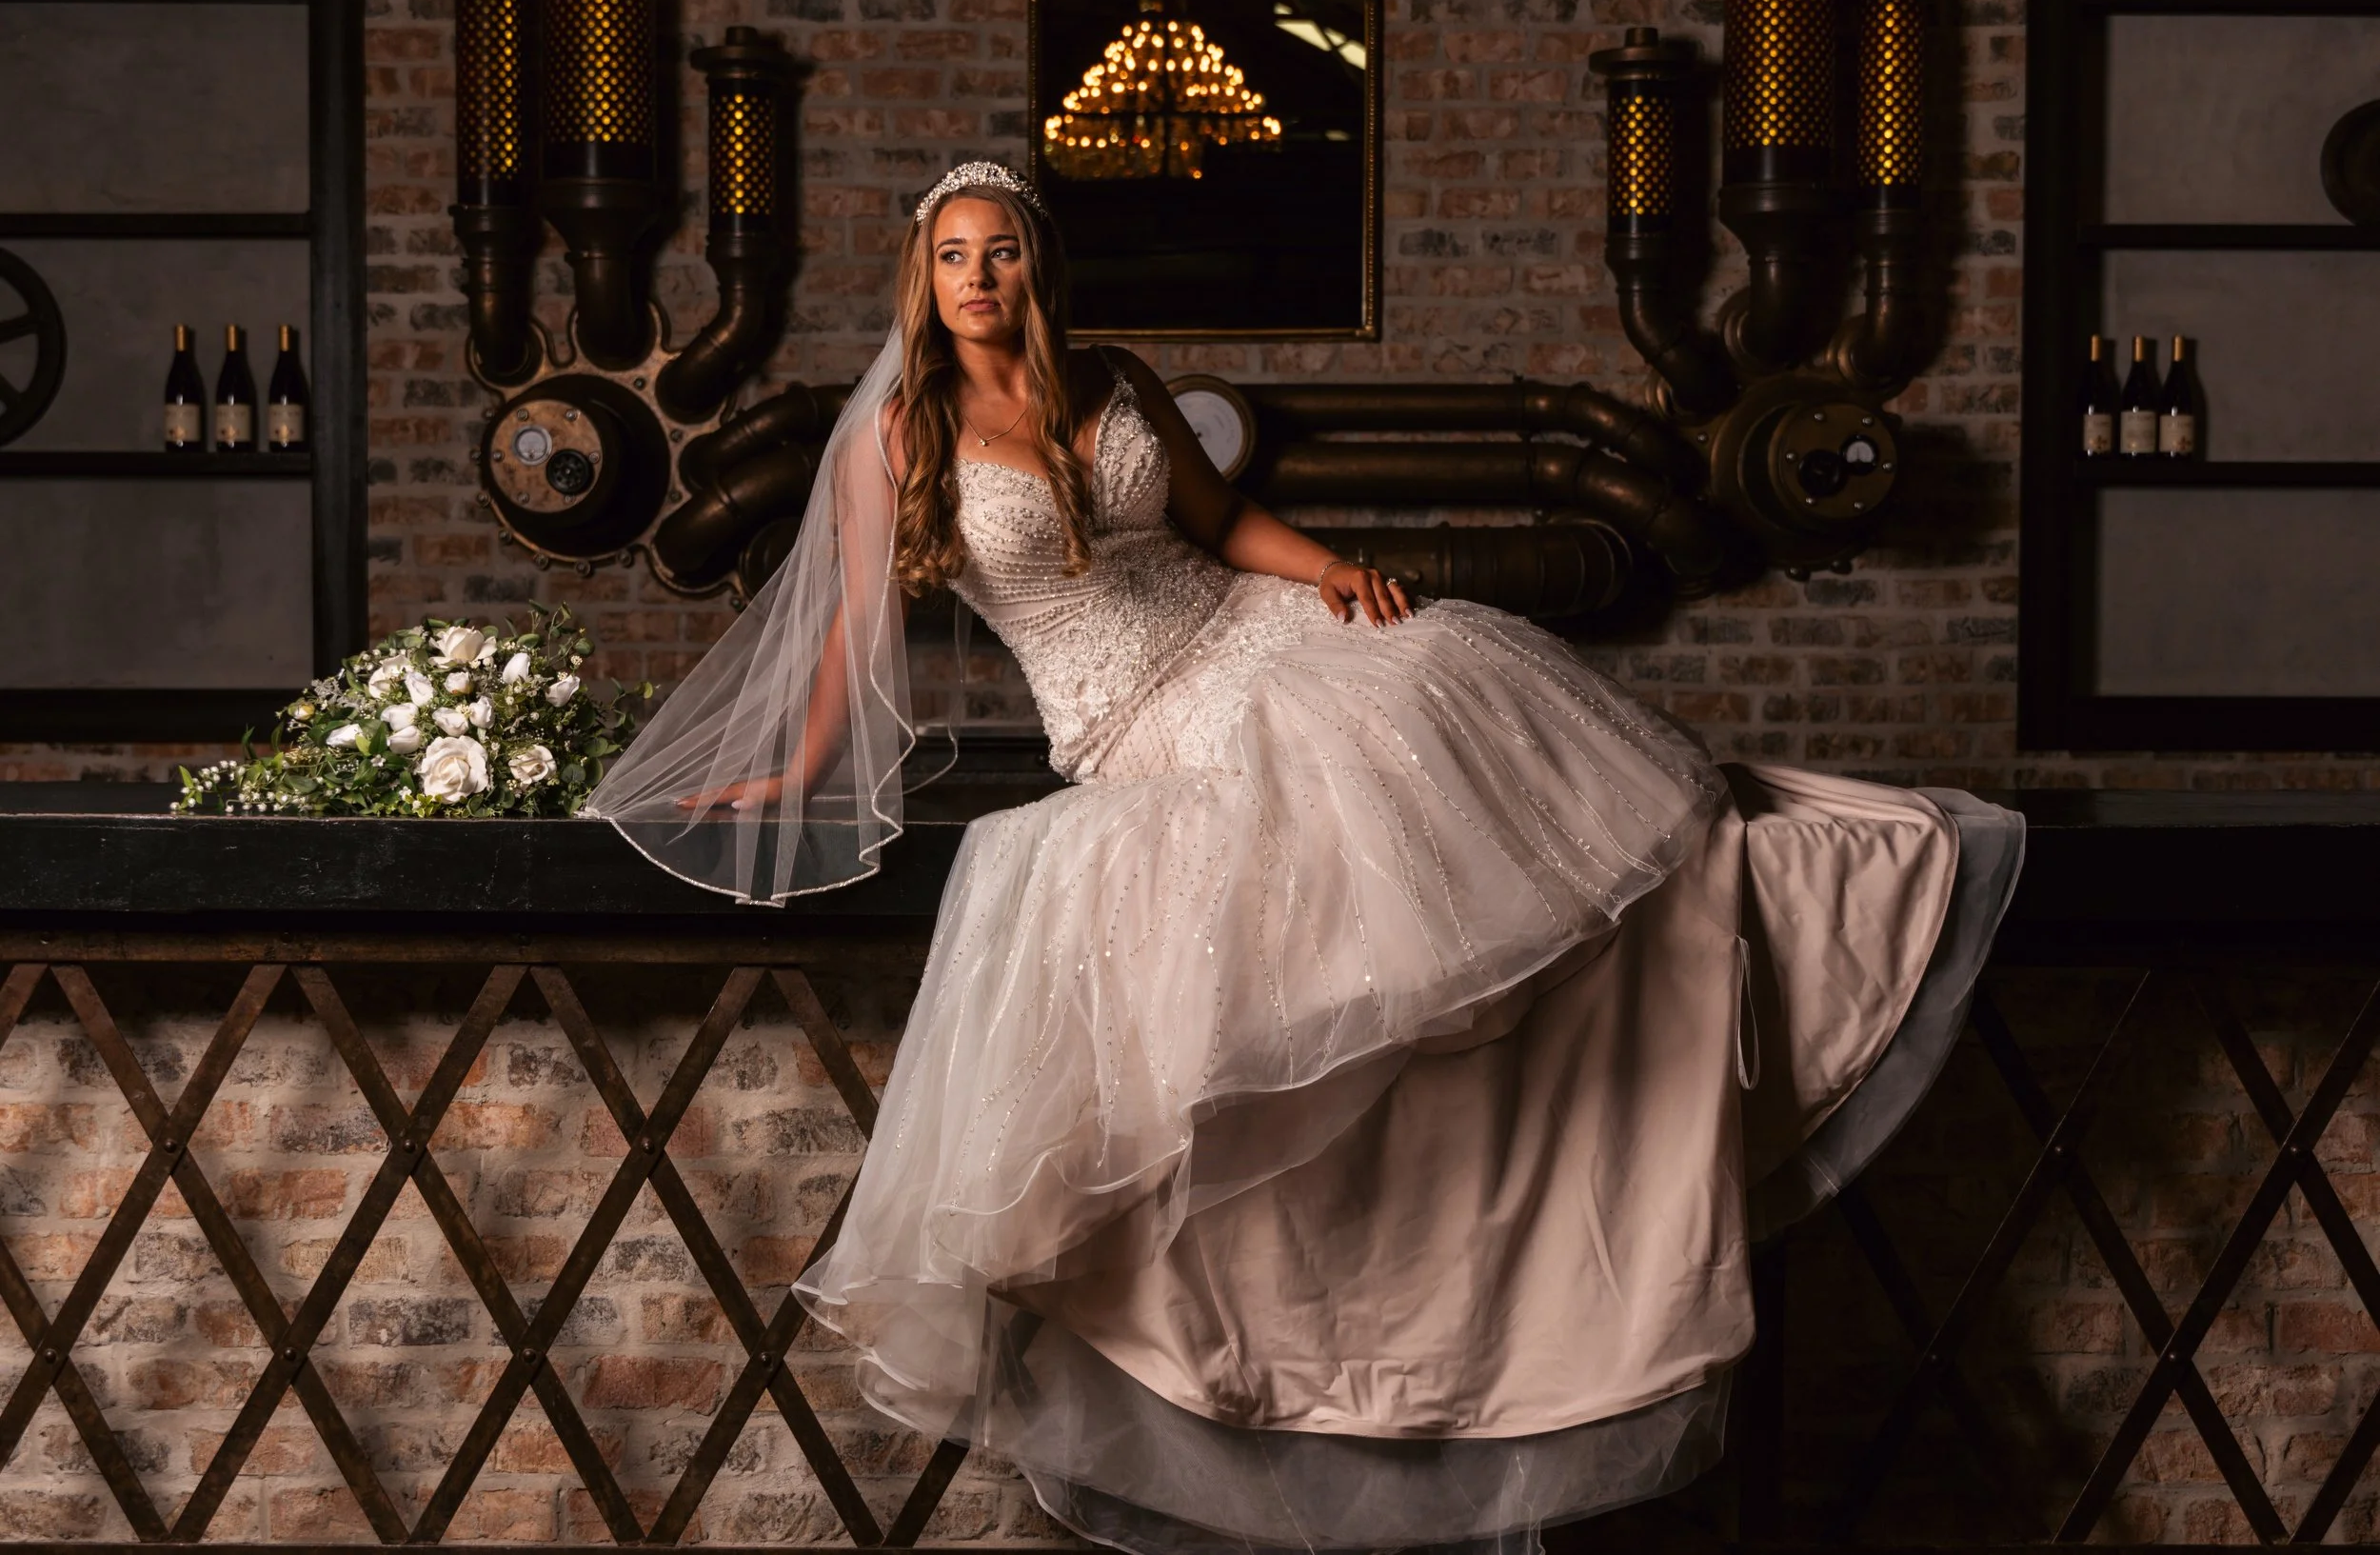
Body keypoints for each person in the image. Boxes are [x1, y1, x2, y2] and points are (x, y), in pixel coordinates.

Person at [586, 160, 2024, 1554]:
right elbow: (851, 626)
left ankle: (1569, 1036)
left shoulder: (1119, 381)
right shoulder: (902, 434)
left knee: (1425, 680)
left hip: (1252, 634)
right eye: (953, 255)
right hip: (1136, 719)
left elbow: (1216, 526)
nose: (978, 278)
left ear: (1038, 263)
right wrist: (793, 762)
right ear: (923, 272)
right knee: (1318, 835)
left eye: (1001, 250)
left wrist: (1332, 567)